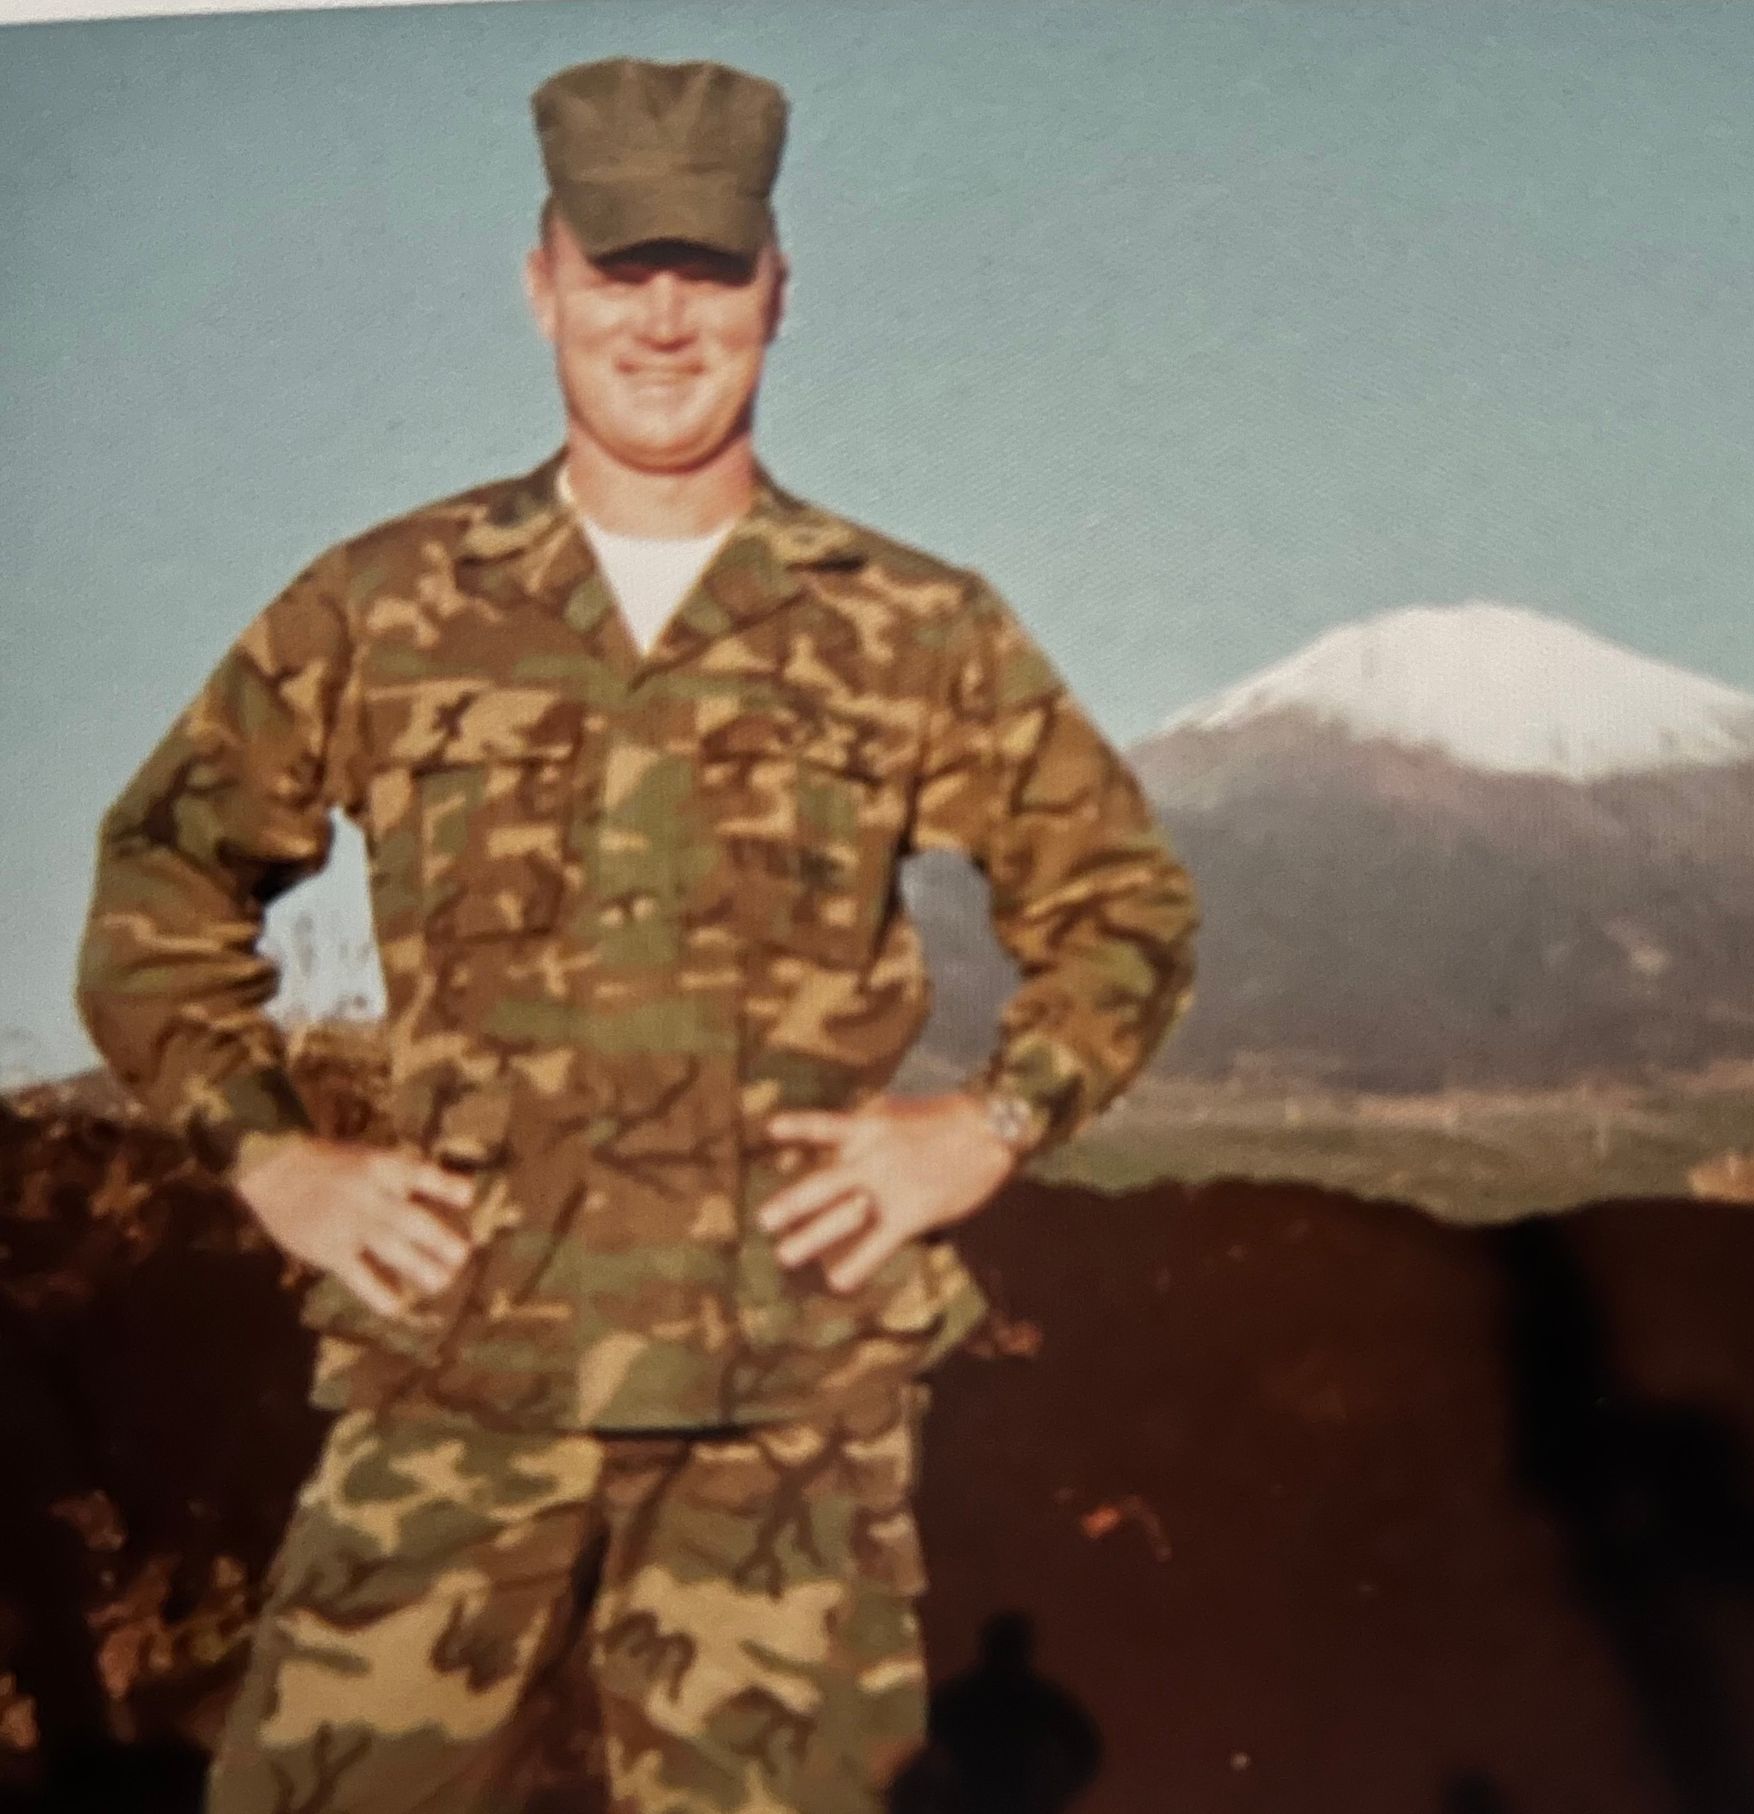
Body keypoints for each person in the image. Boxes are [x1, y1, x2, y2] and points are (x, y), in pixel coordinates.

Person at [74, 54, 1198, 1814]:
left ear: (778, 291)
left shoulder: (909, 626)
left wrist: (989, 1122)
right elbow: (163, 873)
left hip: (786, 1405)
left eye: (710, 271)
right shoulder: (387, 605)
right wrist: (272, 1153)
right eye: (619, 269)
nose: (662, 321)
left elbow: (1121, 901)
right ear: (541, 283)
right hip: (459, 1365)